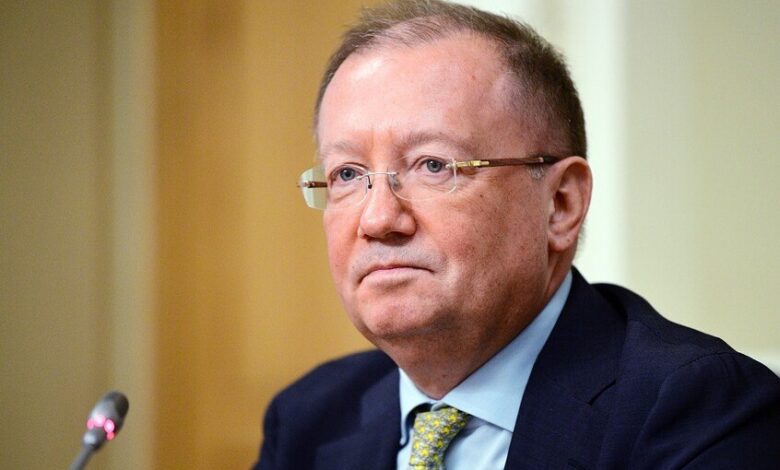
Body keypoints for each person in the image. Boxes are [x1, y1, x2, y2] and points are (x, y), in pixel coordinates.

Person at [254, 1, 780, 468]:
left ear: (561, 204)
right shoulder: (308, 418)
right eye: (348, 174)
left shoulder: (700, 411)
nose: (377, 219)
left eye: (434, 165)